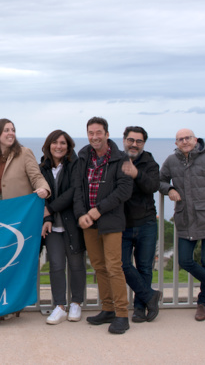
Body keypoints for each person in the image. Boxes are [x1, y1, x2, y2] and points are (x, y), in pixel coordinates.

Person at [159, 128, 205, 321]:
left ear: (195, 140)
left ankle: (202, 303)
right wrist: (169, 189)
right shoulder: (171, 161)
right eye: (180, 139)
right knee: (184, 260)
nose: (184, 141)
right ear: (176, 143)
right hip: (185, 218)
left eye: (188, 138)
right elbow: (159, 181)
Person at [0, 118, 50, 328]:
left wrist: (44, 190)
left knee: (13, 263)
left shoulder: (24, 153)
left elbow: (36, 176)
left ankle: (1, 310)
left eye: (12, 129)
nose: (10, 133)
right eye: (6, 130)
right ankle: (4, 307)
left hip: (18, 219)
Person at [73, 117, 133, 334]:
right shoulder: (83, 157)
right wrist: (81, 214)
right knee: (99, 267)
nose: (94, 137)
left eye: (98, 133)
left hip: (110, 221)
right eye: (91, 133)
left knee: (114, 267)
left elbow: (124, 190)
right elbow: (77, 188)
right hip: (88, 222)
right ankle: (107, 308)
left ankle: (122, 315)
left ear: (107, 134)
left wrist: (98, 210)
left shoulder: (120, 158)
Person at [39, 130, 86, 325]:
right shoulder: (42, 167)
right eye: (55, 143)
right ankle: (59, 305)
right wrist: (47, 216)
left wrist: (49, 208)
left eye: (63, 143)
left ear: (69, 146)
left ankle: (76, 302)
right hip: (51, 226)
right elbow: (38, 195)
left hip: (72, 223)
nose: (59, 146)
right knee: (56, 266)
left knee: (76, 265)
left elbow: (73, 192)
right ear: (49, 145)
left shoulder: (76, 165)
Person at [120, 126, 162, 324]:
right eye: (130, 140)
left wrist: (136, 173)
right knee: (122, 264)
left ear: (143, 144)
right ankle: (150, 296)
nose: (134, 144)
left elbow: (153, 186)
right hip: (123, 223)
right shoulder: (117, 160)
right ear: (124, 140)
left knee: (145, 267)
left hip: (146, 222)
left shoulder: (149, 162)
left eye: (138, 141)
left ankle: (139, 308)